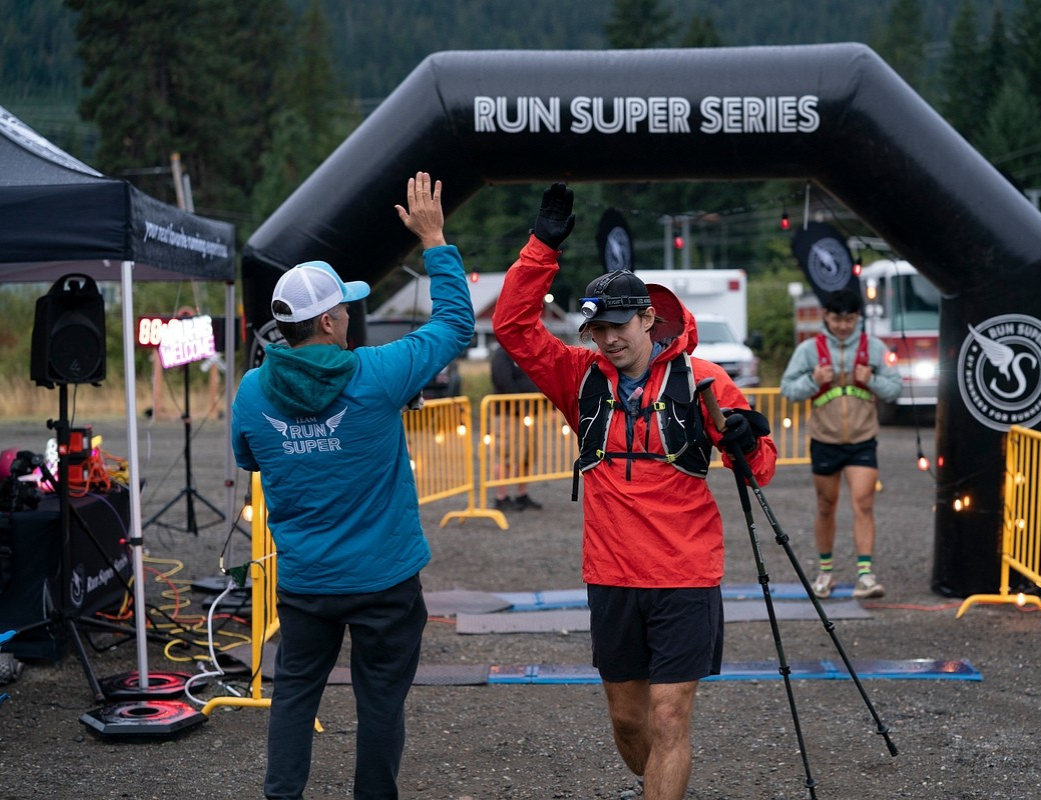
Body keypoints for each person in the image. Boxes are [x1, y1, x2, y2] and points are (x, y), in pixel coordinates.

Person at [492, 183, 777, 800]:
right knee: (628, 721)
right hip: (613, 575)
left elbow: (760, 470)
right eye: (597, 329)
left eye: (618, 325)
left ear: (648, 317)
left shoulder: (702, 380)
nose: (608, 339)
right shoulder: (578, 378)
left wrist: (747, 441)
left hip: (685, 575)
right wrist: (542, 247)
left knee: (670, 717)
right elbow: (512, 327)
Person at [230, 172, 474, 800]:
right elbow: (454, 324)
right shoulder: (376, 373)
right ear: (329, 320)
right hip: (384, 580)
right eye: (344, 307)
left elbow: (248, 457)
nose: (349, 315)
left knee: (294, 696)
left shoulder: (252, 391)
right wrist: (434, 239)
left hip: (307, 581)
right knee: (380, 704)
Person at [779, 287, 901, 600]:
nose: (843, 325)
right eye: (837, 319)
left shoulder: (874, 348)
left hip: (862, 439)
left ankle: (866, 575)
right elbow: (788, 389)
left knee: (864, 503)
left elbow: (894, 389)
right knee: (826, 505)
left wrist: (871, 380)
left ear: (858, 317)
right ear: (826, 317)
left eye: (849, 319)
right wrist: (813, 380)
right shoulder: (809, 350)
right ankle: (825, 572)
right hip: (825, 440)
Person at [489, 344, 542, 511]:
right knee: (506, 456)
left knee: (527, 456)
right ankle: (501, 497)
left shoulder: (526, 353)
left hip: (528, 415)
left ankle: (522, 495)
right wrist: (521, 405)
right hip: (508, 414)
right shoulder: (502, 354)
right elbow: (503, 382)